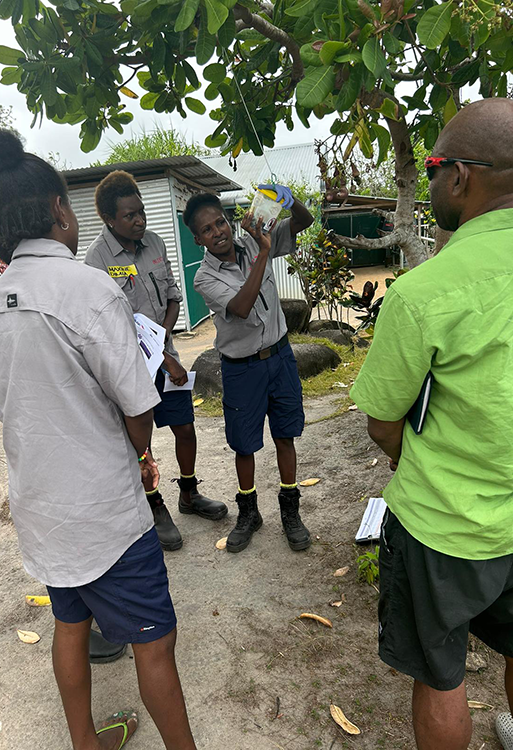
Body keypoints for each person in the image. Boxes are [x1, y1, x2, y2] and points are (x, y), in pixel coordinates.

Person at [0, 129, 197, 750]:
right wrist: (141, 454)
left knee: (69, 623)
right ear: (58, 211)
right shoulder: (87, 288)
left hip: (42, 506)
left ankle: (85, 743)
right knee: (156, 641)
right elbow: (135, 405)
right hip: (102, 510)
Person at [350, 97, 513, 750]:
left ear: (462, 176)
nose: (436, 177)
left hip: (444, 525)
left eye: (436, 164)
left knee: (441, 675)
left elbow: (383, 423)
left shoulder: (422, 294)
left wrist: (402, 459)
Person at [85, 171, 227, 552]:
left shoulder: (155, 243)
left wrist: (165, 335)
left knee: (184, 427)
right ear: (109, 219)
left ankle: (189, 493)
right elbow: (118, 323)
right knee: (141, 442)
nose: (139, 220)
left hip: (166, 356)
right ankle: (153, 503)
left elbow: (172, 296)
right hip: (129, 368)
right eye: (129, 215)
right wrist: (163, 358)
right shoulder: (97, 260)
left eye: (141, 212)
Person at [184, 188, 314, 553]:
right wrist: (264, 253)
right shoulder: (204, 279)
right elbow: (241, 306)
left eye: (220, 222)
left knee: (285, 435)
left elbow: (304, 222)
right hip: (242, 369)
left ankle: (290, 511)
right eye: (207, 230)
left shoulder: (257, 236)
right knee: (244, 445)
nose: (218, 232)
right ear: (198, 239)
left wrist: (288, 202)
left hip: (280, 357)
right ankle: (249, 512)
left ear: (228, 221)